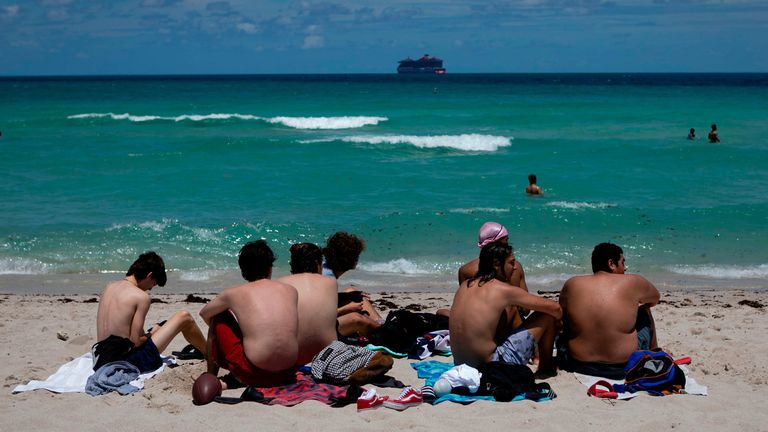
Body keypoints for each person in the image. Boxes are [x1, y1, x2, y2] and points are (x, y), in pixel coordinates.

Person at [450, 242, 561, 377]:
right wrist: (560, 323)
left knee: (506, 314)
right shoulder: (502, 290)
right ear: (497, 264)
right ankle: (546, 367)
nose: (515, 268)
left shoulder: (465, 286)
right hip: (492, 367)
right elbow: (554, 308)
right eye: (511, 263)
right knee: (546, 315)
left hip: (460, 366)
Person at [199, 240, 299, 388]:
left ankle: (211, 376)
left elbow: (204, 313)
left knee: (218, 315)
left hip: (253, 373)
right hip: (288, 373)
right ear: (270, 268)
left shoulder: (234, 293)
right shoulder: (291, 290)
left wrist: (226, 334)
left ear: (243, 270)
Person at [558, 242, 660, 379]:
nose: (625, 268)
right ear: (611, 264)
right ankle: (655, 355)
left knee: (567, 316)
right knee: (644, 310)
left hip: (579, 363)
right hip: (623, 365)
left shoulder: (572, 283)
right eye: (623, 263)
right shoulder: (634, 281)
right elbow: (654, 299)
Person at [93, 251, 207, 372]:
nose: (151, 288)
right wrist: (152, 334)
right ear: (149, 275)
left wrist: (146, 335)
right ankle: (210, 354)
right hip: (123, 363)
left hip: (100, 360)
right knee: (185, 317)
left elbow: (121, 334)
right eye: (153, 283)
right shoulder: (141, 297)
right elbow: (135, 342)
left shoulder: (108, 287)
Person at [276, 243, 339, 365]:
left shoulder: (280, 283)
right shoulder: (331, 282)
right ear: (317, 264)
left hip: (294, 358)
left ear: (292, 264)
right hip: (328, 357)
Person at [457, 222, 529, 327]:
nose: (508, 245)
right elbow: (526, 310)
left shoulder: (465, 270)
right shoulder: (514, 268)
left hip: (478, 325)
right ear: (498, 245)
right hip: (510, 326)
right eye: (506, 240)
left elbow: (466, 306)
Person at [323, 231, 383, 337]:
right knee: (357, 319)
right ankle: (383, 334)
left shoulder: (325, 269)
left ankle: (381, 324)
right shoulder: (327, 279)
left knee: (352, 292)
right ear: (352, 259)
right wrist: (348, 309)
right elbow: (320, 316)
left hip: (319, 320)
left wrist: (348, 297)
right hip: (318, 330)